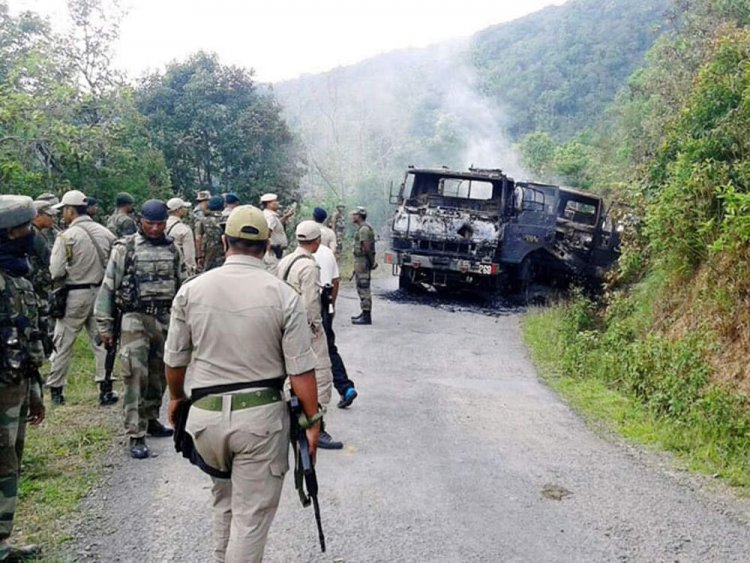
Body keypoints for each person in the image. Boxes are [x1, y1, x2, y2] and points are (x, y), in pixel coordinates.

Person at [164, 205, 321, 562]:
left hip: (204, 421)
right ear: (267, 247)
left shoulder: (191, 291)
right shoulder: (283, 296)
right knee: (249, 520)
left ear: (223, 243)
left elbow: (174, 360)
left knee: (224, 502)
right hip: (258, 424)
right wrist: (312, 422)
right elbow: (300, 372)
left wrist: (176, 399)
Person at [95, 200, 185, 459]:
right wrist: (105, 325)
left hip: (164, 318)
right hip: (134, 318)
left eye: (160, 224)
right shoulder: (126, 248)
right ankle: (136, 432)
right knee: (135, 375)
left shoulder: (172, 249)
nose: (155, 229)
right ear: (140, 221)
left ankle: (152, 417)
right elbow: (108, 287)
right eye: (150, 223)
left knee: (159, 374)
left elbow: (182, 285)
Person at [0, 195, 47, 563]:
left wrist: (34, 390)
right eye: (24, 228)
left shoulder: (17, 277)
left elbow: (28, 339)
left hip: (14, 385)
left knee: (9, 463)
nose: (30, 234)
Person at [47, 190, 117, 406]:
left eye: (64, 211)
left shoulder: (66, 237)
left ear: (70, 210)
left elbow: (56, 271)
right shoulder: (106, 233)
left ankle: (57, 391)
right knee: (102, 341)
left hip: (74, 295)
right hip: (102, 295)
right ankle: (105, 389)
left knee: (63, 342)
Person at [278, 221, 343, 449]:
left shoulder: (286, 260)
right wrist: (315, 328)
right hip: (305, 330)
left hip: (284, 326)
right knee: (321, 377)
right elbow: (309, 304)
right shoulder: (309, 266)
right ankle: (317, 427)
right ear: (316, 242)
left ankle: (291, 425)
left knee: (289, 378)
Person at [314, 236, 358, 409]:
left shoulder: (295, 258)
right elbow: (335, 281)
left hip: (304, 308)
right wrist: (331, 304)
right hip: (325, 305)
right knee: (329, 348)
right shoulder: (328, 253)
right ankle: (345, 388)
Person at [29, 200, 58, 356]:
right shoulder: (35, 235)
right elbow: (49, 259)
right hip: (37, 285)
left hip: (37, 284)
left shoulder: (35, 233)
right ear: (37, 216)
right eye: (49, 216)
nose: (52, 219)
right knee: (43, 318)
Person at [351, 206, 376, 325]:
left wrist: (372, 262)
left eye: (354, 214)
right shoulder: (362, 228)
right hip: (360, 261)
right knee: (361, 287)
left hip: (363, 262)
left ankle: (366, 316)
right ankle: (364, 312)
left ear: (359, 216)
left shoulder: (364, 230)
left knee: (364, 287)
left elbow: (366, 247)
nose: (352, 216)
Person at [260, 193, 294, 271]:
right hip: (274, 252)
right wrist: (267, 246)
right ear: (268, 204)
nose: (277, 203)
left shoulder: (267, 214)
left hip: (274, 252)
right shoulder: (270, 217)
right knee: (275, 274)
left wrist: (286, 217)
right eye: (274, 202)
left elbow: (276, 224)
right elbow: (267, 232)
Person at [166, 197, 197, 276]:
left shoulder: (161, 226)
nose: (186, 210)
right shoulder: (184, 230)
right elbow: (189, 257)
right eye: (184, 208)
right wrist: (191, 272)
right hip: (179, 271)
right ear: (178, 210)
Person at [195, 195, 226, 272]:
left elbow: (198, 238)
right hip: (224, 254)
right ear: (223, 205)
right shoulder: (226, 219)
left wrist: (199, 256)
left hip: (208, 255)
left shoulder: (204, 220)